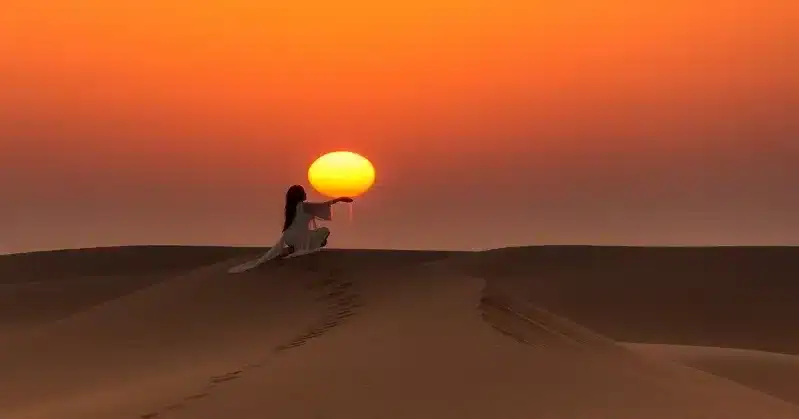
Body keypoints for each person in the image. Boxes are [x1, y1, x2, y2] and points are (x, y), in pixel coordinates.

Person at [270, 185, 353, 259]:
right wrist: (340, 199)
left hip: (288, 237)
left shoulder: (290, 208)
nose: (305, 194)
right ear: (300, 195)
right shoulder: (305, 206)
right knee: (325, 231)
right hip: (298, 237)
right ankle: (297, 249)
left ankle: (293, 248)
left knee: (315, 237)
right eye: (303, 192)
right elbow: (323, 205)